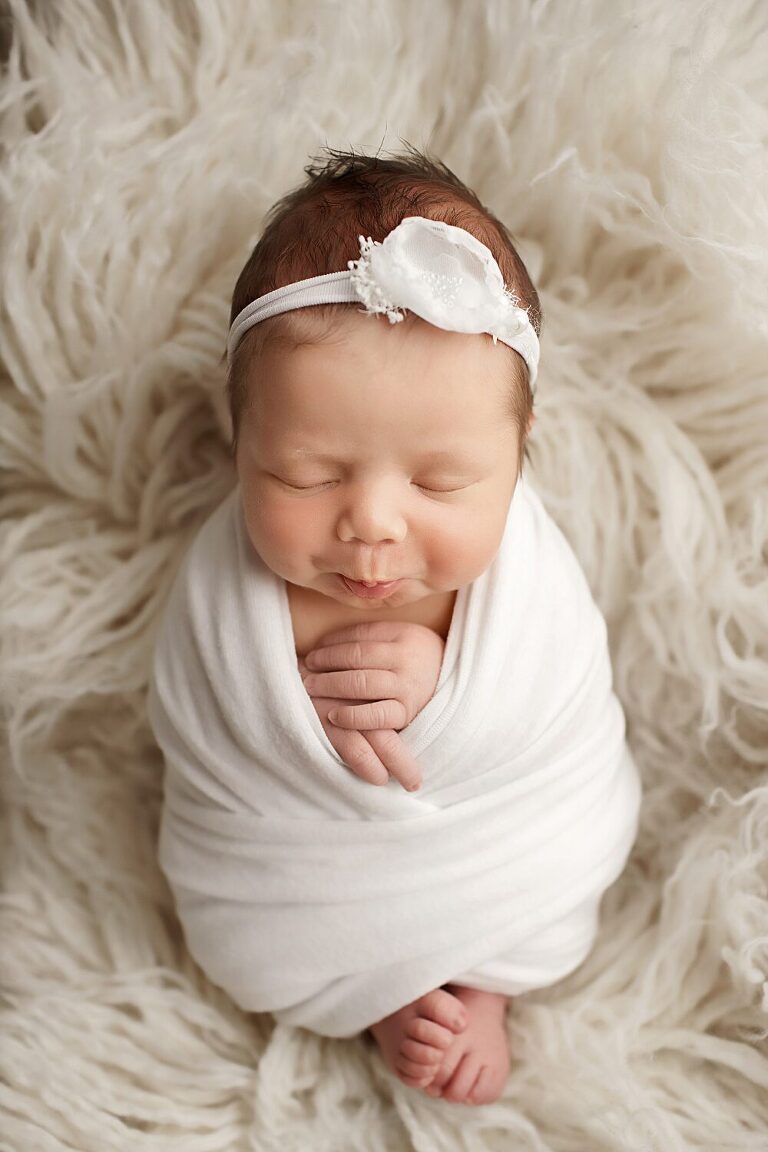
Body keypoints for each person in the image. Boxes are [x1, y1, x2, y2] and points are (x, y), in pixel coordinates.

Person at [148, 143, 642, 1107]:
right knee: (257, 939)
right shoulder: (223, 595)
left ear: (516, 455)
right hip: (300, 878)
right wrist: (289, 721)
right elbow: (203, 729)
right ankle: (382, 990)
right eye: (309, 475)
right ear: (241, 440)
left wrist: (452, 687)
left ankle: (485, 986)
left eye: (441, 482)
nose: (372, 521)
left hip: (503, 845)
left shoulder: (527, 578)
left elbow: (555, 701)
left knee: (554, 886)